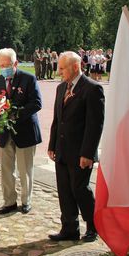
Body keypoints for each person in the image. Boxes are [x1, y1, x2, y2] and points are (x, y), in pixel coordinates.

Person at [47, 51, 104, 243]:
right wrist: (52, 144)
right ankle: (69, 227)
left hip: (80, 152)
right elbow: (57, 119)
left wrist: (88, 153)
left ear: (75, 67)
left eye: (62, 68)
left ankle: (93, 225)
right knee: (64, 190)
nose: (59, 71)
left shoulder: (92, 89)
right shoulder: (61, 88)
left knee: (80, 189)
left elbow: (95, 125)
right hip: (62, 150)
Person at [0, 48, 42, 215]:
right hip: (5, 133)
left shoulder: (28, 78)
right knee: (6, 170)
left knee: (24, 169)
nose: (4, 67)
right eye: (1, 65)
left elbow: (36, 103)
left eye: (7, 64)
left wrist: (15, 114)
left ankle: (26, 200)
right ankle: (9, 201)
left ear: (15, 63)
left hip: (25, 131)